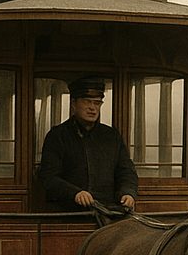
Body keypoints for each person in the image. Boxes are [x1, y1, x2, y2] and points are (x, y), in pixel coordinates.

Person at [38, 76, 138, 212]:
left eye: (97, 103)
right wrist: (75, 193)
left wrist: (128, 192)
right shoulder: (57, 136)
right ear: (74, 104)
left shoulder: (111, 136)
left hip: (108, 212)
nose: (92, 108)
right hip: (67, 213)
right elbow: (48, 177)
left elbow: (126, 171)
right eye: (87, 102)